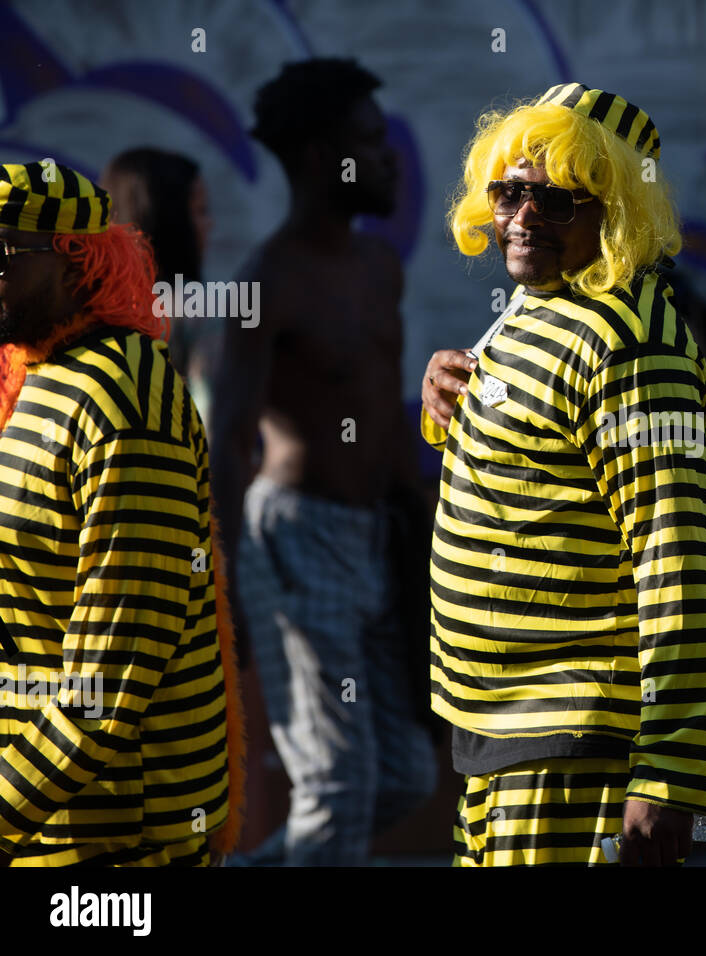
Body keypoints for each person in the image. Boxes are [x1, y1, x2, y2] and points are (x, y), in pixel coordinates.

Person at [422, 83, 706, 867]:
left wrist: (671, 772)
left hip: (576, 749)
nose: (524, 218)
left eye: (560, 202)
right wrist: (442, 404)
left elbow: (678, 558)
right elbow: (534, 471)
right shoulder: (541, 304)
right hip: (502, 738)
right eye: (509, 192)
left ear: (620, 211)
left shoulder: (630, 342)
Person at [210, 57, 436, 866]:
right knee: (336, 784)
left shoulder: (381, 268)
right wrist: (223, 576)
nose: (390, 158)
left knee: (404, 775)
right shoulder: (268, 281)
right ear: (320, 157)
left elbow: (382, 409)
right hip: (295, 545)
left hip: (381, 539)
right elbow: (232, 434)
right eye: (370, 143)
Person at [0, 161, 241, 866]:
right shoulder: (39, 371)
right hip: (48, 820)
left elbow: (109, 677)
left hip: (123, 837)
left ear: (79, 259)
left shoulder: (122, 398)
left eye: (5, 252)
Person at [101, 148, 218, 421]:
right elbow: (213, 418)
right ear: (169, 219)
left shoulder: (80, 304)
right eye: (200, 211)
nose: (209, 225)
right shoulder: (197, 306)